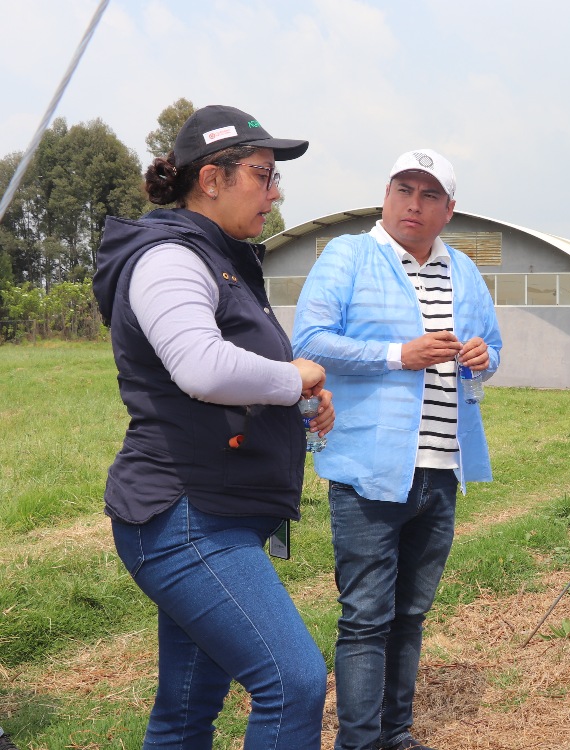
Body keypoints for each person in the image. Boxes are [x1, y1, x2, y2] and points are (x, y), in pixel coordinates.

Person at [92, 105, 332, 750]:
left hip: (212, 511)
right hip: (184, 517)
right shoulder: (168, 257)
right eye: (263, 173)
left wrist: (298, 400)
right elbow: (200, 365)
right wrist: (294, 377)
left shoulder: (220, 259)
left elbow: (238, 375)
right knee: (295, 681)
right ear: (212, 178)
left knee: (187, 709)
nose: (275, 192)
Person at [292, 149, 502, 750]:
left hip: (440, 468)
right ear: (386, 195)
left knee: (410, 615)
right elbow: (308, 341)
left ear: (449, 210)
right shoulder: (349, 256)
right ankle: (358, 742)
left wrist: (484, 359)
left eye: (429, 194)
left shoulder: (464, 271)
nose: (414, 202)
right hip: (368, 471)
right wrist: (397, 355)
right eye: (404, 188)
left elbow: (493, 348)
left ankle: (396, 734)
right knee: (366, 619)